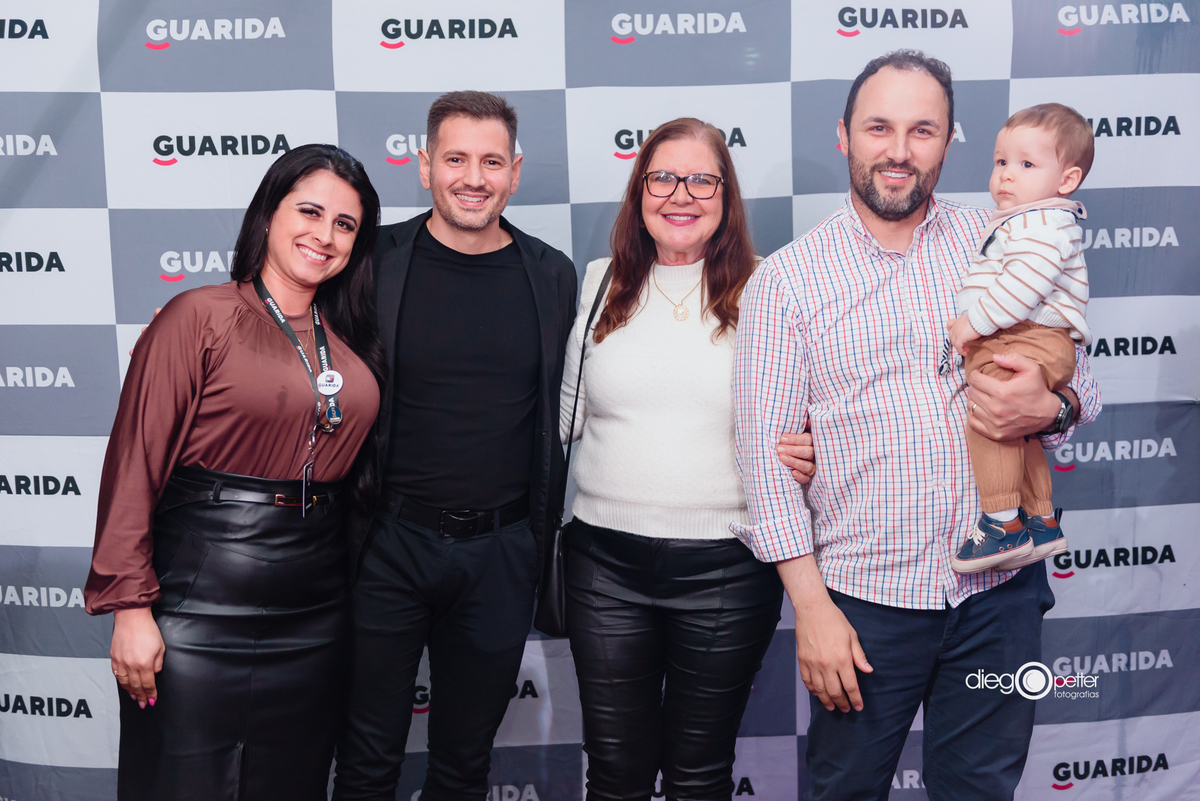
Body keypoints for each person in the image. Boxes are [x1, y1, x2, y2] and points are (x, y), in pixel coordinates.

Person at [732, 51, 1101, 800]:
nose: (899, 150)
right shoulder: (786, 280)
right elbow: (764, 461)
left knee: (981, 790)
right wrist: (811, 609)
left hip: (1000, 599)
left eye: (922, 130)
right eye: (879, 127)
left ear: (948, 140)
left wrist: (1052, 407)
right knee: (845, 791)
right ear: (844, 135)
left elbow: (1081, 382)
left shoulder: (1004, 241)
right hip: (864, 607)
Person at [85, 144, 385, 800]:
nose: (325, 234)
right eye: (309, 211)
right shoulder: (198, 315)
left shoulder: (353, 340)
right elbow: (134, 466)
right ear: (269, 214)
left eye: (345, 224)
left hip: (317, 612)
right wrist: (130, 609)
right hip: (199, 608)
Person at [332, 91, 578, 801]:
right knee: (366, 762)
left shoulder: (552, 273)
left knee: (464, 766)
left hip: (501, 555)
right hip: (387, 545)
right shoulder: (374, 260)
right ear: (424, 166)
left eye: (492, 162)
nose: (474, 178)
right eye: (456, 159)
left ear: (515, 172)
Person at [561, 117, 792, 801]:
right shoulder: (601, 281)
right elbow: (568, 413)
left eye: (701, 180)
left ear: (726, 195)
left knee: (698, 775)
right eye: (662, 178)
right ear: (639, 191)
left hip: (729, 569)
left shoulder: (769, 287)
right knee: (615, 774)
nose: (680, 194)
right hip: (603, 567)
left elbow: (801, 419)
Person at [947, 103, 1095, 573]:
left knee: (988, 415)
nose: (1007, 175)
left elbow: (1021, 287)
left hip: (1026, 337)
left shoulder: (1041, 223)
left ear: (1067, 179)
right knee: (1017, 428)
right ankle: (1041, 519)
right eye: (1001, 161)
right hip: (1031, 337)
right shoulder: (1028, 220)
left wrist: (972, 324)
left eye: (1027, 164)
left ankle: (1001, 524)